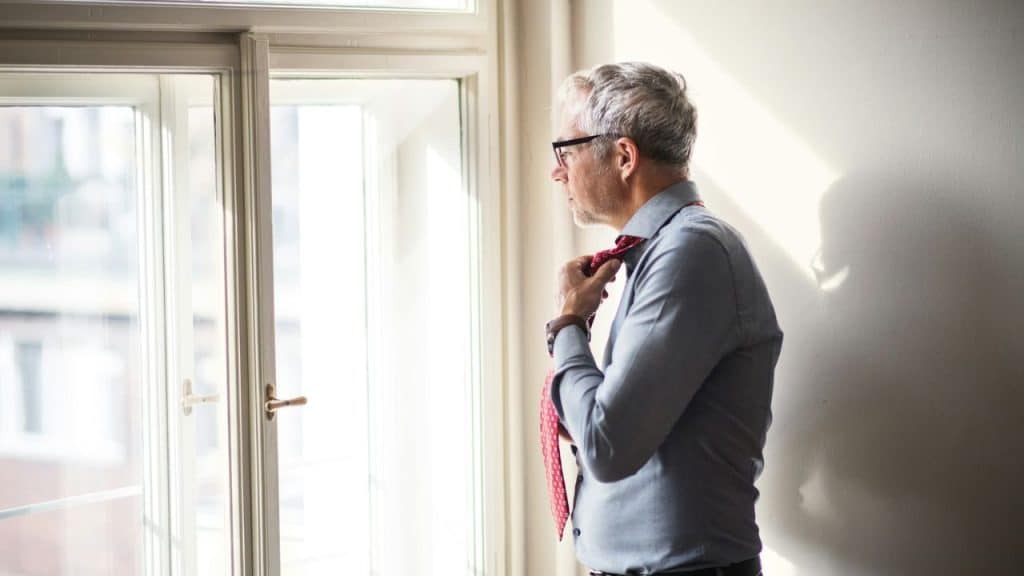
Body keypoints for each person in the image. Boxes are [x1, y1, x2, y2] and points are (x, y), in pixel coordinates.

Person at [545, 62, 783, 576]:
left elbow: (607, 446)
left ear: (624, 156)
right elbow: (619, 426)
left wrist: (567, 324)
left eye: (566, 150)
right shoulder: (662, 254)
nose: (557, 170)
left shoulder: (690, 253)